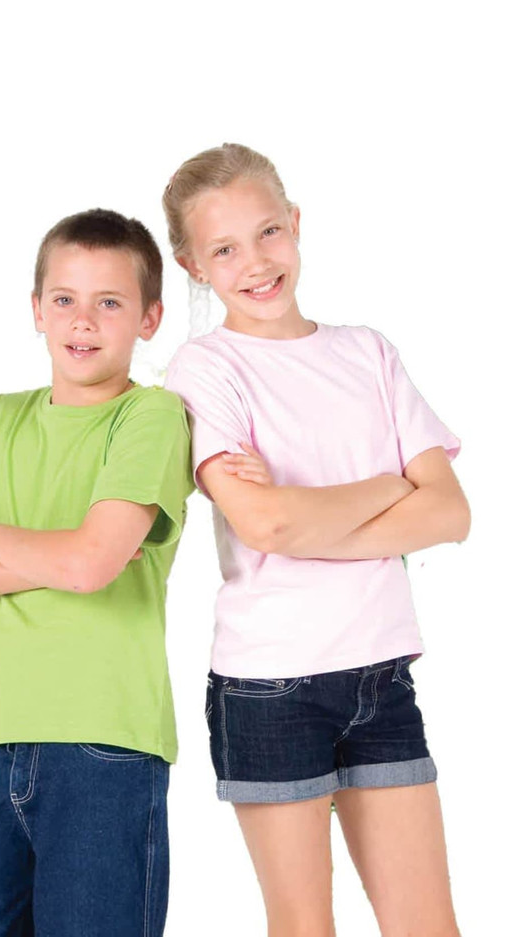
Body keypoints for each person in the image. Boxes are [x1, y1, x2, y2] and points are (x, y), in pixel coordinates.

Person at [163, 143, 469, 937]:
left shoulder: (368, 353)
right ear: (192, 264)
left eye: (268, 232)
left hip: (381, 674)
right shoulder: (205, 369)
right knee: (304, 925)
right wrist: (391, 484)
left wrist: (305, 517)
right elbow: (265, 524)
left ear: (295, 223)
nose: (256, 262)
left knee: (429, 925)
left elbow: (449, 513)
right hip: (270, 686)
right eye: (224, 249)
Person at [0, 208, 193, 937]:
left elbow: (91, 565)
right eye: (64, 298)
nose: (82, 320)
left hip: (106, 742)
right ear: (37, 310)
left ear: (150, 318)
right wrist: (62, 557)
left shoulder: (151, 417)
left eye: (109, 302)